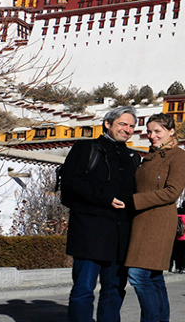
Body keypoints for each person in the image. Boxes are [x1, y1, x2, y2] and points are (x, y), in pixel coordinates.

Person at [60, 105, 140, 322]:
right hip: (90, 232)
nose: (127, 129)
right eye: (122, 124)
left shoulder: (133, 156)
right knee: (84, 289)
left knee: (114, 290)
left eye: (131, 126)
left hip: (120, 235)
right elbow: (71, 182)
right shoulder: (87, 148)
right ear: (107, 124)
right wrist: (104, 198)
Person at [123, 113, 185, 322]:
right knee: (153, 276)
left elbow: (172, 192)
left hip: (159, 222)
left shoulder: (180, 156)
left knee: (137, 274)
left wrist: (134, 201)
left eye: (157, 131)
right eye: (149, 132)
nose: (152, 136)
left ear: (171, 131)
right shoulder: (149, 157)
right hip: (139, 221)